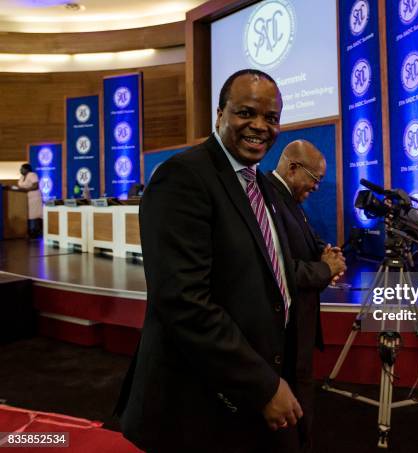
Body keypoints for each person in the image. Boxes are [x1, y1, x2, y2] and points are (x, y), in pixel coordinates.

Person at [116, 69, 304, 452]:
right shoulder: (182, 177)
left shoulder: (262, 184)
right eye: (246, 113)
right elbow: (183, 302)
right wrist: (263, 385)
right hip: (196, 406)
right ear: (219, 114)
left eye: (271, 118)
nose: (260, 126)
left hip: (249, 395)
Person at [266, 140, 346, 452]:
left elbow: (306, 241)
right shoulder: (268, 198)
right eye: (314, 179)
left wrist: (327, 253)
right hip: (286, 332)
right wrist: (325, 270)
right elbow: (279, 269)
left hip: (300, 329)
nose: (316, 187)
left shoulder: (289, 199)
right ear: (293, 168)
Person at [16, 163, 43, 238]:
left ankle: (34, 231)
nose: (20, 170)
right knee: (28, 214)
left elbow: (36, 186)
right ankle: (28, 231)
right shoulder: (21, 177)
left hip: (34, 198)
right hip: (25, 199)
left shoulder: (32, 175)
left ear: (27, 169)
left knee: (33, 215)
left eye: (22, 168)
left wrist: (25, 190)